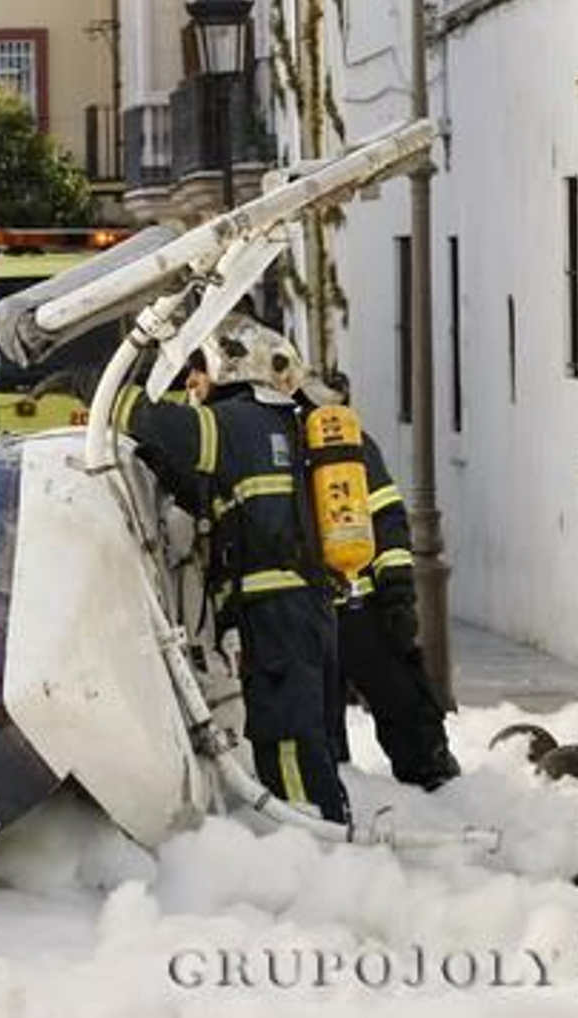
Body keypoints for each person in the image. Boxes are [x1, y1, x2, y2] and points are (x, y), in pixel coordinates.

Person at [39, 313, 349, 824]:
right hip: (289, 606)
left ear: (231, 367)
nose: (191, 383)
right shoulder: (267, 427)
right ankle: (315, 831)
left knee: (288, 733)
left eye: (197, 369)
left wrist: (92, 384)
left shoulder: (236, 422)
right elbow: (200, 483)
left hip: (277, 606)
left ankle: (314, 835)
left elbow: (166, 428)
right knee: (290, 727)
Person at [307, 374, 461, 790]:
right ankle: (435, 780)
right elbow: (389, 519)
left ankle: (335, 790)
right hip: (363, 601)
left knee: (321, 711)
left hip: (308, 605)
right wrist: (398, 597)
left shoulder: (276, 444)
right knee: (402, 697)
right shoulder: (351, 445)